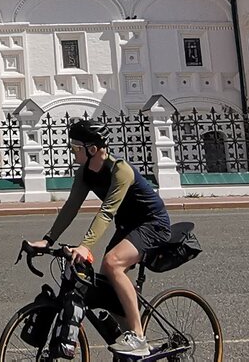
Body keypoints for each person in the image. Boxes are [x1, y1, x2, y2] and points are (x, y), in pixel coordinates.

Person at [25, 120, 173, 358]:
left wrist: (85, 246)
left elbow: (107, 211)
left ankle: (138, 337)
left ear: (91, 149)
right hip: (128, 226)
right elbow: (71, 207)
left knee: (112, 263)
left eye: (75, 147)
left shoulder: (120, 170)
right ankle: (133, 347)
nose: (73, 152)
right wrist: (48, 240)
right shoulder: (85, 173)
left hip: (153, 224)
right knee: (105, 286)